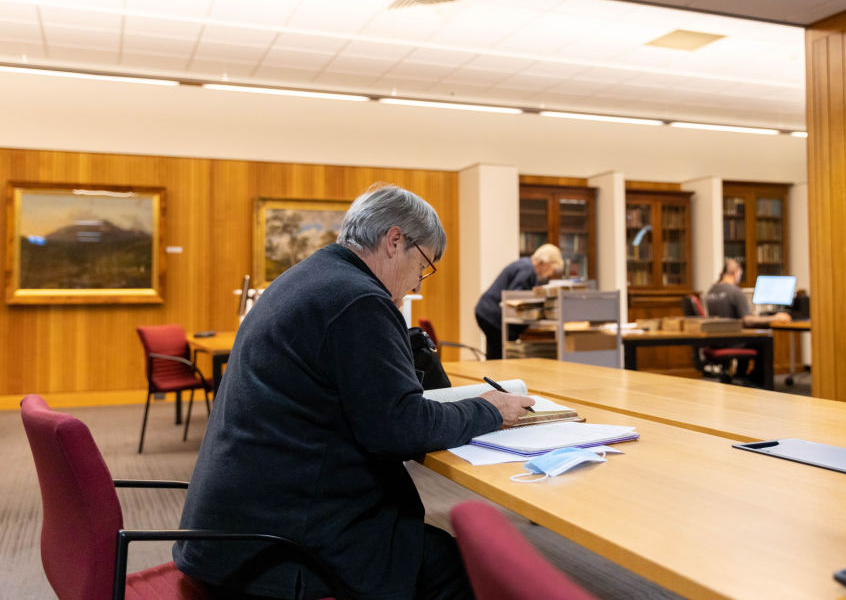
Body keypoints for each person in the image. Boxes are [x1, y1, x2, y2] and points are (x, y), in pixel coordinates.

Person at [173, 183, 534, 600]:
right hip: (281, 547)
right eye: (424, 267)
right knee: (469, 573)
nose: (418, 285)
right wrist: (490, 409)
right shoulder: (357, 299)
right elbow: (400, 429)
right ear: (395, 240)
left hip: (233, 531)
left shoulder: (310, 278)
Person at [704, 258, 790, 387]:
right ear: (736, 272)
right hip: (733, 341)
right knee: (763, 339)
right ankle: (759, 382)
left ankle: (741, 375)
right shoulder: (735, 292)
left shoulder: (711, 290)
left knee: (753, 338)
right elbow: (748, 321)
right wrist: (775, 317)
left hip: (715, 341)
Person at [474, 245, 564, 360]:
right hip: (493, 315)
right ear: (544, 262)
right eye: (552, 268)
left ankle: (495, 376)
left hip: (486, 311)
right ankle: (498, 376)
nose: (552, 273)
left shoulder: (525, 265)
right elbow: (515, 297)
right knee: (501, 355)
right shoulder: (528, 269)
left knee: (496, 354)